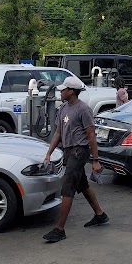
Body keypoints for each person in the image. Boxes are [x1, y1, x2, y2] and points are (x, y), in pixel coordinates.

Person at [42, 75, 108, 243]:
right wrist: (49, 153)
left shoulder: (83, 109)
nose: (61, 92)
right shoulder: (64, 108)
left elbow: (91, 135)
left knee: (68, 188)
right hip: (69, 151)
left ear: (71, 92)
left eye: (63, 89)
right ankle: (100, 215)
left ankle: (59, 229)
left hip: (80, 152)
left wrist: (95, 160)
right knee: (82, 184)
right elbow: (58, 132)